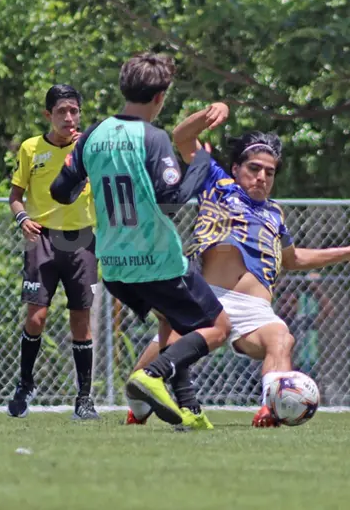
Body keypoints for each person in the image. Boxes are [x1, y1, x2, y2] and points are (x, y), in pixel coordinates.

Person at [125, 125, 350, 427]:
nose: (262, 177)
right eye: (254, 168)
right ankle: (137, 406)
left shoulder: (275, 214)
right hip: (209, 296)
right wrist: (209, 114)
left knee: (282, 338)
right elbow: (182, 137)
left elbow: (293, 259)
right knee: (157, 359)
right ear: (236, 169)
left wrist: (349, 251)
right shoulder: (217, 182)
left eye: (269, 172)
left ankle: (269, 409)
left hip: (254, 309)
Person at [50, 52, 232, 431]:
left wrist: (93, 176)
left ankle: (189, 410)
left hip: (116, 266)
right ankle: (152, 374)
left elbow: (60, 191)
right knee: (218, 327)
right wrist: (200, 164)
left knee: (171, 323)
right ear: (160, 97)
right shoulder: (153, 137)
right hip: (157, 260)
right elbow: (171, 200)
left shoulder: (93, 135)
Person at [7, 84, 99, 420]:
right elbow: (15, 196)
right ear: (48, 114)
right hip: (42, 240)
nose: (69, 117)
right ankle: (25, 384)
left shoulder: (89, 149)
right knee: (36, 317)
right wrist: (22, 219)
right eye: (61, 111)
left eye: (74, 111)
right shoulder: (31, 148)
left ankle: (84, 399)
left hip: (81, 241)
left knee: (80, 319)